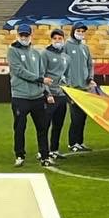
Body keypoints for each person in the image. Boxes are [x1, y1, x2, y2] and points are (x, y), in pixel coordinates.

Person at [7, 22, 50, 168]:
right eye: (22, 35)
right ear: (18, 35)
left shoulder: (36, 53)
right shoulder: (12, 50)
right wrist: (39, 79)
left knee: (42, 127)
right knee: (19, 127)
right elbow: (19, 71)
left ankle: (45, 155)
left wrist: (45, 90)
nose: (24, 37)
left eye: (26, 35)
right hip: (21, 96)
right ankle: (19, 155)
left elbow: (42, 72)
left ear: (31, 35)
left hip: (37, 96)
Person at [65, 23, 95, 153]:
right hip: (73, 88)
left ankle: (80, 142)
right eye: (78, 30)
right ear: (73, 31)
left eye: (83, 31)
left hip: (84, 88)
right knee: (75, 117)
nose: (81, 33)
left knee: (82, 117)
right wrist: (66, 84)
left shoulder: (85, 47)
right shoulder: (66, 46)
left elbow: (89, 65)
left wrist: (90, 78)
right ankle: (73, 143)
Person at [42, 28, 72, 159]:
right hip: (50, 95)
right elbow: (41, 74)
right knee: (45, 124)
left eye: (60, 39)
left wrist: (68, 91)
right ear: (51, 40)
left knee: (58, 124)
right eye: (55, 39)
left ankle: (54, 149)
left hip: (61, 95)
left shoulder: (66, 57)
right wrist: (47, 93)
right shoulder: (45, 54)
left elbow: (67, 75)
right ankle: (42, 150)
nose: (57, 41)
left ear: (63, 40)